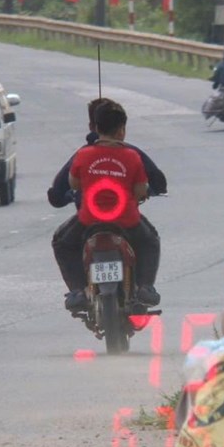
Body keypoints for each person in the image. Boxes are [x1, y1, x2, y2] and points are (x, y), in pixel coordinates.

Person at [49, 98, 165, 312]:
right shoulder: (132, 156)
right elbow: (141, 189)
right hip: (127, 220)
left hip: (88, 220)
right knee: (150, 240)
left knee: (61, 242)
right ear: (122, 130)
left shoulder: (83, 155)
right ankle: (146, 288)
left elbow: (73, 183)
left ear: (94, 127)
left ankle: (77, 291)